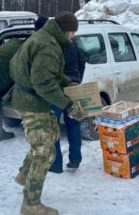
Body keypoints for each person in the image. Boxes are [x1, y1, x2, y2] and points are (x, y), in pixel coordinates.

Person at [5, 12, 87, 215]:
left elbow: (50, 74)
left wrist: (68, 83)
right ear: (67, 30)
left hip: (31, 99)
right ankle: (31, 204)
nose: (73, 37)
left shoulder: (44, 38)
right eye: (73, 32)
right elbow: (44, 83)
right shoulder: (48, 45)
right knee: (45, 151)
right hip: (32, 102)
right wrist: (69, 106)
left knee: (51, 134)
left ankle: (26, 176)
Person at [35, 17, 86, 174]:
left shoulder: (52, 44)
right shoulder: (72, 43)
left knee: (52, 126)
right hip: (73, 88)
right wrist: (76, 81)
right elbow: (82, 62)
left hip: (56, 90)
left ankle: (56, 164)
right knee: (73, 123)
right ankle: (75, 160)